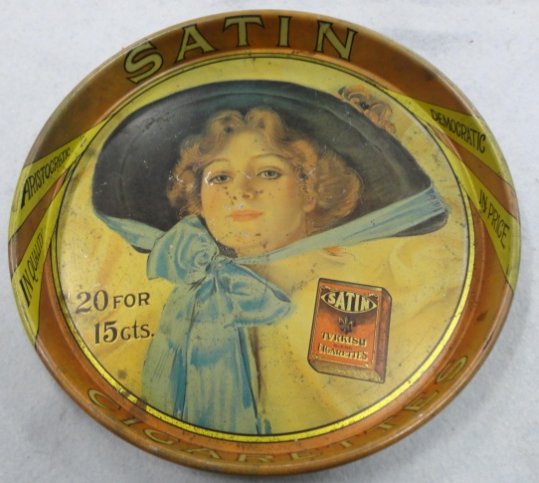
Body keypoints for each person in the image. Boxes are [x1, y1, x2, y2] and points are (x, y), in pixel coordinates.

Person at [93, 82, 448, 434]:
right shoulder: (192, 297)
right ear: (197, 200)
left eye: (268, 172)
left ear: (310, 190)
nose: (241, 191)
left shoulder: (351, 291)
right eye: (220, 177)